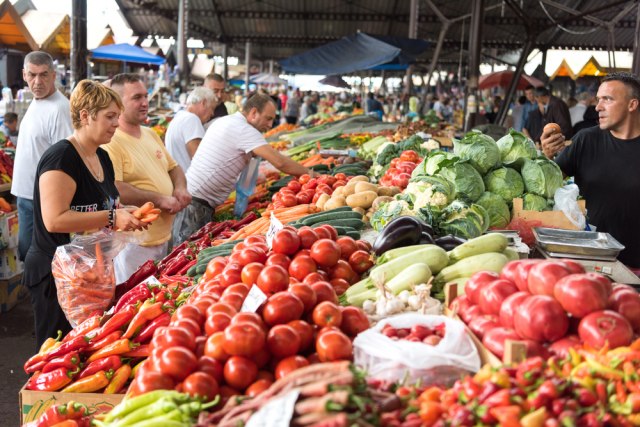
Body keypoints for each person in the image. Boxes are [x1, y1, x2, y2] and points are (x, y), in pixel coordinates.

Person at [24, 80, 147, 347]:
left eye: (117, 116)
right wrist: (112, 218)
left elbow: (104, 205)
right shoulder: (62, 158)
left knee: (86, 348)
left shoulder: (102, 157)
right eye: (110, 116)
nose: (116, 123)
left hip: (90, 274)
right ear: (85, 116)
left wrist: (125, 213)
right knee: (56, 351)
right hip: (55, 275)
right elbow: (54, 219)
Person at [173, 93, 318, 243]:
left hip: (193, 198)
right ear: (254, 113)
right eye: (268, 118)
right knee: (183, 251)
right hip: (195, 204)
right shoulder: (244, 129)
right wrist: (312, 175)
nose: (270, 125)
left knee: (185, 249)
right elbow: (280, 163)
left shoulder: (227, 121)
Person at [541, 72, 640, 269]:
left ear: (632, 105)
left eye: (607, 99)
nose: (598, 107)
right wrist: (546, 157)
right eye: (598, 99)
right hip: (589, 259)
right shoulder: (585, 140)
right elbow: (547, 186)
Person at [104, 73, 191, 283]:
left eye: (145, 96)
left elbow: (174, 168)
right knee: (133, 296)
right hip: (134, 243)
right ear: (118, 103)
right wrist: (160, 199)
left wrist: (180, 188)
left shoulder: (150, 134)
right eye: (136, 97)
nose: (145, 102)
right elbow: (116, 187)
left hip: (163, 236)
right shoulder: (111, 141)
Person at [11, 51, 73, 262]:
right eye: (32, 75)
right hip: (26, 194)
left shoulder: (60, 108)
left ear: (54, 75)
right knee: (28, 255)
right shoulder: (36, 101)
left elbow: (65, 160)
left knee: (39, 260)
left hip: (41, 200)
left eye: (44, 75)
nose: (37, 82)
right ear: (24, 75)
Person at [164, 86, 217, 172]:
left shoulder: (179, 118)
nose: (212, 113)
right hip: (187, 178)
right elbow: (199, 159)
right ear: (203, 103)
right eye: (212, 108)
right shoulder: (192, 119)